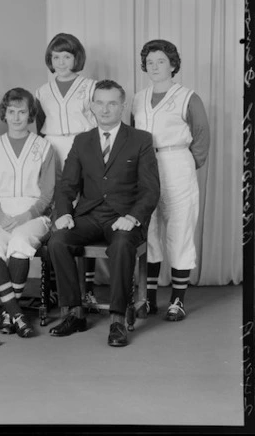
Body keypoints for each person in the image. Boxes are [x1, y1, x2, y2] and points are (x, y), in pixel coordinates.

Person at [47, 79, 160, 347]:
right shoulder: (83, 140)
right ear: (92, 106)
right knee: (57, 241)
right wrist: (62, 213)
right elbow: (67, 186)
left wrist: (132, 217)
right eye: (99, 102)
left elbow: (150, 189)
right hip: (89, 216)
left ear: (122, 106)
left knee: (121, 245)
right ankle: (74, 313)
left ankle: (118, 320)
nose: (105, 109)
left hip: (124, 218)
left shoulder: (140, 140)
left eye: (112, 103)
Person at [132, 39, 210, 321]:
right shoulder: (138, 98)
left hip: (176, 161)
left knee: (179, 229)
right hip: (146, 166)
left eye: (160, 61)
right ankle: (148, 299)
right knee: (149, 230)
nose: (154, 66)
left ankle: (177, 300)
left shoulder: (188, 96)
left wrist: (188, 165)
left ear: (173, 64)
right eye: (149, 62)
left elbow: (201, 136)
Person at [0, 88, 55, 338]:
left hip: (32, 214)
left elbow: (48, 193)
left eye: (22, 112)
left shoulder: (44, 147)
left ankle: (8, 313)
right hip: (0, 213)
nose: (17, 117)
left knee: (20, 242)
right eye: (12, 111)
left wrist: (24, 217)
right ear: (5, 114)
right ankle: (15, 313)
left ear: (30, 114)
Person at [34, 33, 99, 305]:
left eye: (67, 56)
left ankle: (89, 290)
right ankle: (54, 287)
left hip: (82, 145)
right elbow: (38, 126)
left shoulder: (90, 86)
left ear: (76, 58)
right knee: (55, 210)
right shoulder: (41, 91)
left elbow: (100, 122)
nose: (61, 62)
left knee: (85, 210)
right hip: (52, 148)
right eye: (56, 57)